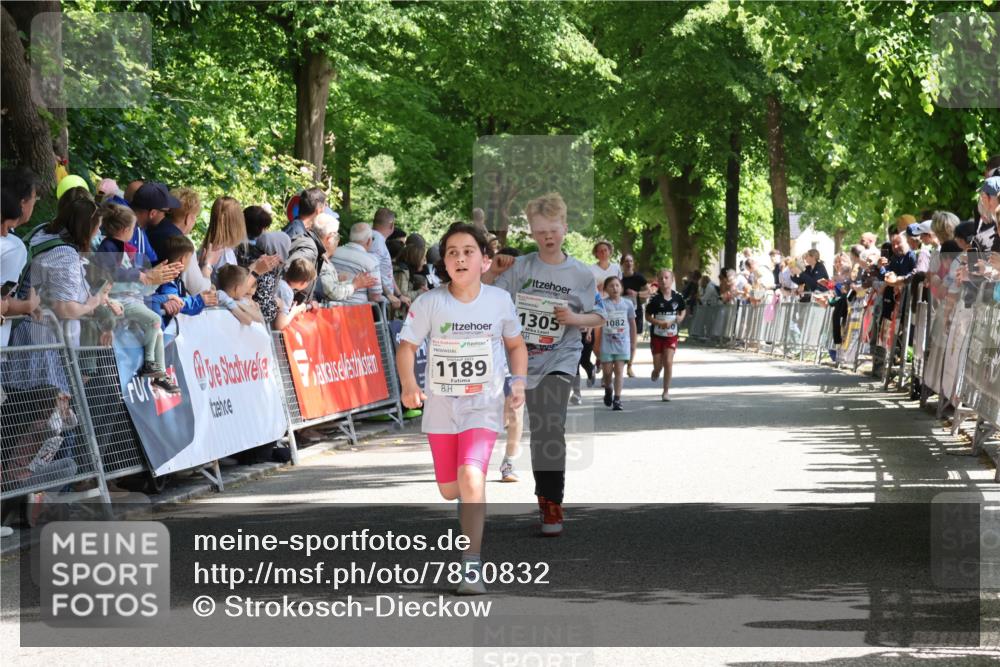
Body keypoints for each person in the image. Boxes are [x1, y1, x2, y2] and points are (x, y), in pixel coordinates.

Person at [397, 222, 527, 594]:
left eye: (468, 251)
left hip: (483, 405)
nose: (460, 258)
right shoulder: (429, 302)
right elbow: (406, 347)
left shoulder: (499, 301)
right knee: (449, 489)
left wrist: (517, 382)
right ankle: (464, 503)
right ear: (445, 262)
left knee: (472, 478)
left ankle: (471, 566)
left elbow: (516, 347)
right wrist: (409, 384)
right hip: (441, 406)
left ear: (485, 261)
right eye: (452, 251)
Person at [484, 192, 605, 537]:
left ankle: (552, 502)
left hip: (561, 359)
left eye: (553, 230)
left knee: (551, 425)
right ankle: (544, 496)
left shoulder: (581, 274)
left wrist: (574, 317)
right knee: (539, 429)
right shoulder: (521, 267)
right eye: (539, 232)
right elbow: (484, 293)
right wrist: (493, 270)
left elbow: (600, 316)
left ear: (565, 227)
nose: (547, 237)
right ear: (532, 234)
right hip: (525, 360)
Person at [495, 248, 525, 484]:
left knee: (515, 410)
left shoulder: (530, 287)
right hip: (488, 360)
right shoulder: (486, 287)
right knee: (496, 414)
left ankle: (509, 462)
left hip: (516, 356)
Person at [1, 173, 41, 345]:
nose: (4, 232)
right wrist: (27, 306)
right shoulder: (13, 246)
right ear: (23, 202)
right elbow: (4, 300)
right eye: (34, 199)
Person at [150, 235, 217, 329]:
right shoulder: (168, 279)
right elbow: (176, 302)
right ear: (183, 259)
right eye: (189, 259)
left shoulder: (164, 274)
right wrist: (199, 300)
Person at [594, 276, 636, 411]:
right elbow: (597, 323)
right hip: (607, 344)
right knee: (607, 372)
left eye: (617, 285)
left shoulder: (628, 304)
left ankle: (617, 399)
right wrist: (594, 340)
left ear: (622, 288)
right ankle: (608, 388)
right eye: (611, 286)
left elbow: (632, 324)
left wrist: (633, 342)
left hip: (623, 343)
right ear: (606, 289)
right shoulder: (603, 304)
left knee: (619, 370)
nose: (615, 288)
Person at [646, 269, 686, 402]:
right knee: (658, 365)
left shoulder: (678, 297)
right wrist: (657, 322)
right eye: (661, 278)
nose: (664, 280)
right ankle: (656, 371)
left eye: (666, 277)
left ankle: (666, 391)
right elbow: (647, 315)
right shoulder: (654, 298)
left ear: (672, 279)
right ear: (657, 280)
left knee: (668, 362)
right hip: (657, 335)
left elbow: (683, 310)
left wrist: (680, 317)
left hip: (671, 335)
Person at [330, 223, 384, 305]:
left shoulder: (333, 253)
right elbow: (375, 296)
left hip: (329, 307)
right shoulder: (371, 261)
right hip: (357, 311)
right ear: (369, 241)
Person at [370, 207, 409, 312]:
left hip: (384, 299)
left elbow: (387, 272)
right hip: (378, 301)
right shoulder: (376, 241)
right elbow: (372, 272)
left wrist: (399, 295)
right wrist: (388, 294)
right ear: (392, 225)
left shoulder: (376, 239)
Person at [620, 254, 648, 378]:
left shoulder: (639, 277)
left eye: (631, 261)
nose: (629, 263)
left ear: (633, 263)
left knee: (632, 341)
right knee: (620, 339)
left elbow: (649, 292)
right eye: (626, 261)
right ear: (622, 263)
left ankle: (630, 366)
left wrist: (636, 293)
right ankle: (619, 364)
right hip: (620, 313)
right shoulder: (618, 278)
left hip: (635, 312)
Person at [273, 258, 315, 331]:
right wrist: (294, 311)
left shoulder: (279, 281)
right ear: (303, 283)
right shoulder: (287, 293)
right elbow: (280, 325)